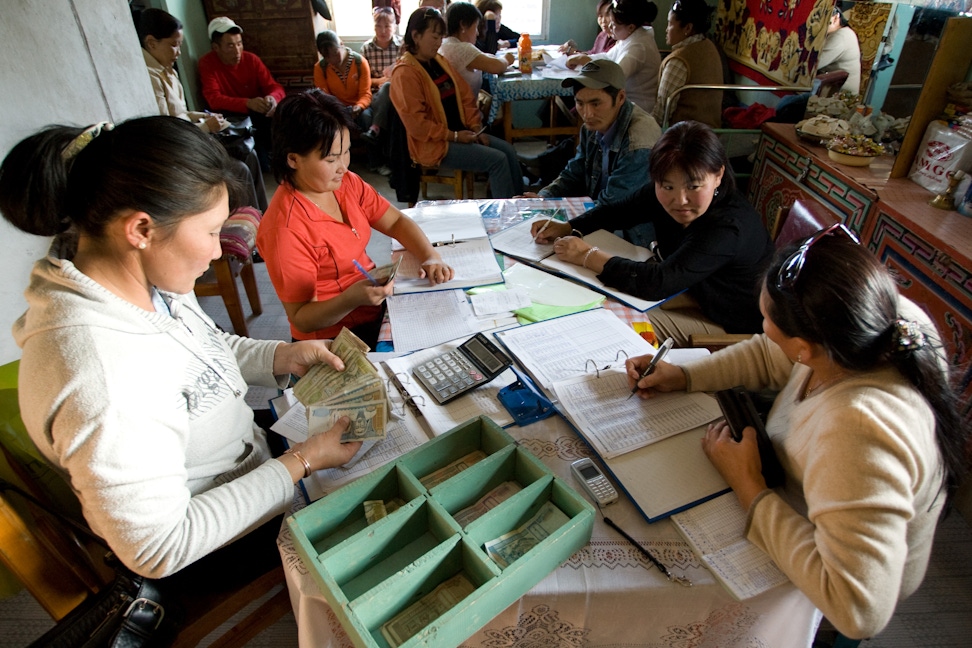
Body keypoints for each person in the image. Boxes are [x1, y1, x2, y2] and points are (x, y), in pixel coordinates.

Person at [0, 116, 361, 585]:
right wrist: (302, 462)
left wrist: (281, 356)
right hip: (205, 542)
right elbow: (160, 548)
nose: (218, 252)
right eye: (212, 232)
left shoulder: (140, 276)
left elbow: (202, 350)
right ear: (141, 229)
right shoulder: (102, 377)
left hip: (252, 460)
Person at [628, 230, 966, 640]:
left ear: (805, 347)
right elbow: (768, 354)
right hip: (810, 497)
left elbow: (858, 610)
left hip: (831, 578)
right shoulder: (870, 320)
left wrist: (750, 488)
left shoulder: (860, 431)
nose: (762, 328)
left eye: (766, 322)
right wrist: (684, 375)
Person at [532, 121, 774, 346]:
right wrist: (570, 227)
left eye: (694, 186)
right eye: (667, 186)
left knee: (609, 321)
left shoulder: (727, 227)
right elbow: (620, 211)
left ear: (718, 175)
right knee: (591, 295)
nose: (680, 200)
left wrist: (587, 255)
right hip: (691, 292)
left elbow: (658, 283)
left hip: (726, 321)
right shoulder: (666, 193)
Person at [257, 89, 454, 347]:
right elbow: (301, 318)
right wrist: (351, 299)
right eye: (331, 159)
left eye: (346, 152)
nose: (343, 166)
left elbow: (395, 221)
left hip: (370, 307)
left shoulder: (345, 183)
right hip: (332, 337)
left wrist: (430, 255)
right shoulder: (285, 229)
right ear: (293, 159)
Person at [138, 8, 267, 212]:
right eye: (174, 45)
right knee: (239, 170)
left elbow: (181, 112)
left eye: (180, 45)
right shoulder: (148, 77)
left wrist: (205, 117)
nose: (179, 53)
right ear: (152, 43)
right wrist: (205, 126)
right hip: (178, 151)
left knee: (249, 153)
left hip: (191, 137)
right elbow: (167, 129)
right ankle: (249, 229)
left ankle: (262, 218)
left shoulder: (168, 71)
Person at [390, 7, 523, 199]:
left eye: (440, 38)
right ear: (416, 36)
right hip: (435, 144)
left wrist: (477, 128)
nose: (438, 43)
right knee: (498, 161)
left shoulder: (438, 61)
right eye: (434, 37)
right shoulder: (405, 73)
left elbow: (465, 96)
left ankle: (520, 206)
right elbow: (418, 126)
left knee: (508, 151)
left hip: (461, 133)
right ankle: (507, 220)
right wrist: (454, 136)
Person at [522, 59, 661, 214]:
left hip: (628, 230)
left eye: (596, 104)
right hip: (599, 213)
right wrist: (543, 199)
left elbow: (613, 207)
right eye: (580, 103)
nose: (587, 114)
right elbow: (575, 172)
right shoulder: (592, 126)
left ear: (621, 97)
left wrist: (561, 219)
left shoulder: (639, 142)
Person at [198, 17, 286, 170]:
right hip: (232, 118)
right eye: (230, 46)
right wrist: (247, 102)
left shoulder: (251, 59)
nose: (237, 51)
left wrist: (272, 98)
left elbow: (274, 87)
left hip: (260, 114)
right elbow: (214, 99)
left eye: (239, 44)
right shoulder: (207, 64)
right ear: (216, 47)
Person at [568, 0, 660, 114]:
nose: (610, 26)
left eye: (614, 24)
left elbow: (615, 76)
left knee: (586, 106)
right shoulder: (629, 38)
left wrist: (586, 61)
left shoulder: (639, 46)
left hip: (637, 109)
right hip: (624, 101)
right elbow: (607, 57)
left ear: (631, 27)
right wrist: (581, 58)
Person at [653, 0, 723, 129]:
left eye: (670, 24)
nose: (666, 29)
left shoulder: (678, 61)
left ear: (687, 28)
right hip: (711, 135)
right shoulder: (708, 45)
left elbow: (661, 114)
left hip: (684, 137)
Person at [440, 1, 514, 98]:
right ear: (463, 25)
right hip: (466, 110)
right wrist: (507, 59)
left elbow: (482, 56)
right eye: (475, 27)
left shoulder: (446, 43)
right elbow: (497, 66)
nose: (477, 33)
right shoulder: (463, 48)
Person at [360, 6, 403, 151]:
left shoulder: (402, 47)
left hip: (398, 96)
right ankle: (376, 163)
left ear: (395, 26)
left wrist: (391, 81)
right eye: (378, 26)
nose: (383, 31)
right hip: (373, 97)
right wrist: (379, 81)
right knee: (365, 115)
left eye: (387, 26)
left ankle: (375, 129)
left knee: (388, 87)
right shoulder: (366, 48)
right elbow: (363, 80)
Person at [818, 2, 862, 95]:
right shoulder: (839, 32)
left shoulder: (841, 36)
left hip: (841, 96)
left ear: (835, 18)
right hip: (831, 88)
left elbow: (815, 64)